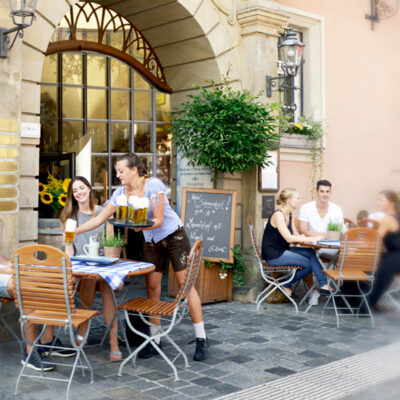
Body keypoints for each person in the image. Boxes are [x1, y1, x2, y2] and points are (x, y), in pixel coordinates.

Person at [73, 154, 209, 361]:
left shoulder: (154, 185)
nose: (117, 175)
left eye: (121, 171)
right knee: (152, 289)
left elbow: (158, 219)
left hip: (174, 237)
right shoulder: (120, 193)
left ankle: (201, 338)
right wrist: (75, 230)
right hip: (151, 241)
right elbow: (100, 218)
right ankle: (155, 341)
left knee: (185, 285)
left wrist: (130, 226)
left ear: (134, 170)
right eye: (117, 171)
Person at [60, 176, 122, 361]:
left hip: (103, 266)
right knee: (89, 279)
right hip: (82, 268)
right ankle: (112, 342)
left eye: (82, 188)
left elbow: (111, 243)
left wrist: (111, 266)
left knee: (105, 285)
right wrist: (70, 271)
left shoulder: (104, 212)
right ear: (72, 195)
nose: (79, 193)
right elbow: (69, 248)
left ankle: (105, 339)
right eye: (75, 191)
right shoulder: (70, 218)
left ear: (89, 188)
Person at [0, 256, 73, 370]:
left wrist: (12, 265)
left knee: (45, 279)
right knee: (27, 286)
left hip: (5, 274)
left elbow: (3, 262)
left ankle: (47, 341)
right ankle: (30, 352)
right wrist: (15, 271)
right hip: (3, 275)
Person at [261, 189, 332, 302]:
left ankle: (324, 285)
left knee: (310, 253)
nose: (300, 201)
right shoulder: (278, 215)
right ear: (289, 200)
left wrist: (306, 239)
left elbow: (295, 235)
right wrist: (313, 239)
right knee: (308, 264)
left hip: (283, 250)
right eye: (297, 198)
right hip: (273, 255)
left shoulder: (289, 214)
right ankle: (286, 285)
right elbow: (289, 238)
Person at [367, 191, 400, 311]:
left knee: (360, 265)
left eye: (381, 200)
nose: (378, 202)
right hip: (393, 256)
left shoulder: (387, 219)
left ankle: (366, 304)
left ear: (391, 203)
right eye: (377, 199)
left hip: (394, 258)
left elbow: (375, 240)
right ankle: (372, 303)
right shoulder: (395, 216)